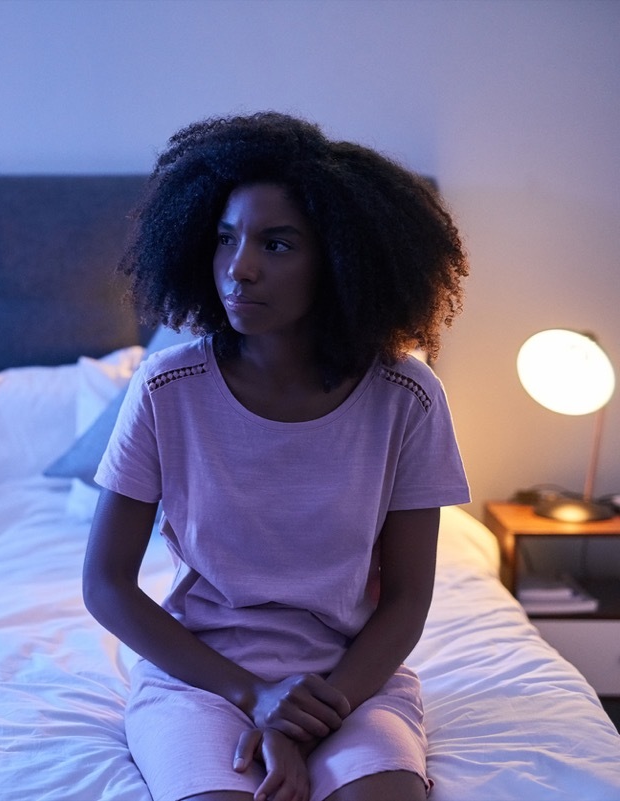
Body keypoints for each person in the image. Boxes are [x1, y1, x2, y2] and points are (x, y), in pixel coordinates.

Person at [82, 112, 470, 801]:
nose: (241, 267)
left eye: (278, 243)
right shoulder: (167, 388)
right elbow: (107, 583)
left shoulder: (407, 397)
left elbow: (408, 598)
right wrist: (254, 695)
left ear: (341, 260)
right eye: (226, 238)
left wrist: (314, 710)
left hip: (351, 681)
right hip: (200, 680)